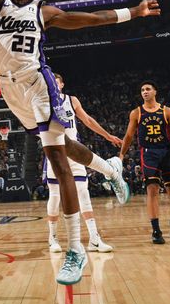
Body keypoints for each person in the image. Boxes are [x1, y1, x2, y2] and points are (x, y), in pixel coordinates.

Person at [0, 0, 159, 285]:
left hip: (38, 85)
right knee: (65, 146)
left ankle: (75, 249)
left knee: (57, 160)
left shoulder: (43, 12)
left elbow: (92, 19)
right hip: (9, 90)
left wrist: (134, 11)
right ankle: (110, 170)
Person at [46, 73, 121, 254]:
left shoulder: (72, 100)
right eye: (51, 83)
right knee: (55, 197)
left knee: (83, 193)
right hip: (55, 153)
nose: (54, 86)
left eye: (57, 83)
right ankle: (52, 238)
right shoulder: (44, 101)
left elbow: (87, 120)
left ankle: (94, 239)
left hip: (75, 152)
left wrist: (107, 135)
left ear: (62, 84)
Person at [119, 81, 170, 244]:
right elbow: (128, 136)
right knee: (152, 189)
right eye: (142, 90)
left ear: (155, 92)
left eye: (148, 89)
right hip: (148, 153)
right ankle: (156, 230)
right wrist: (121, 154)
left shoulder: (166, 111)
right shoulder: (136, 113)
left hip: (168, 152)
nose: (145, 92)